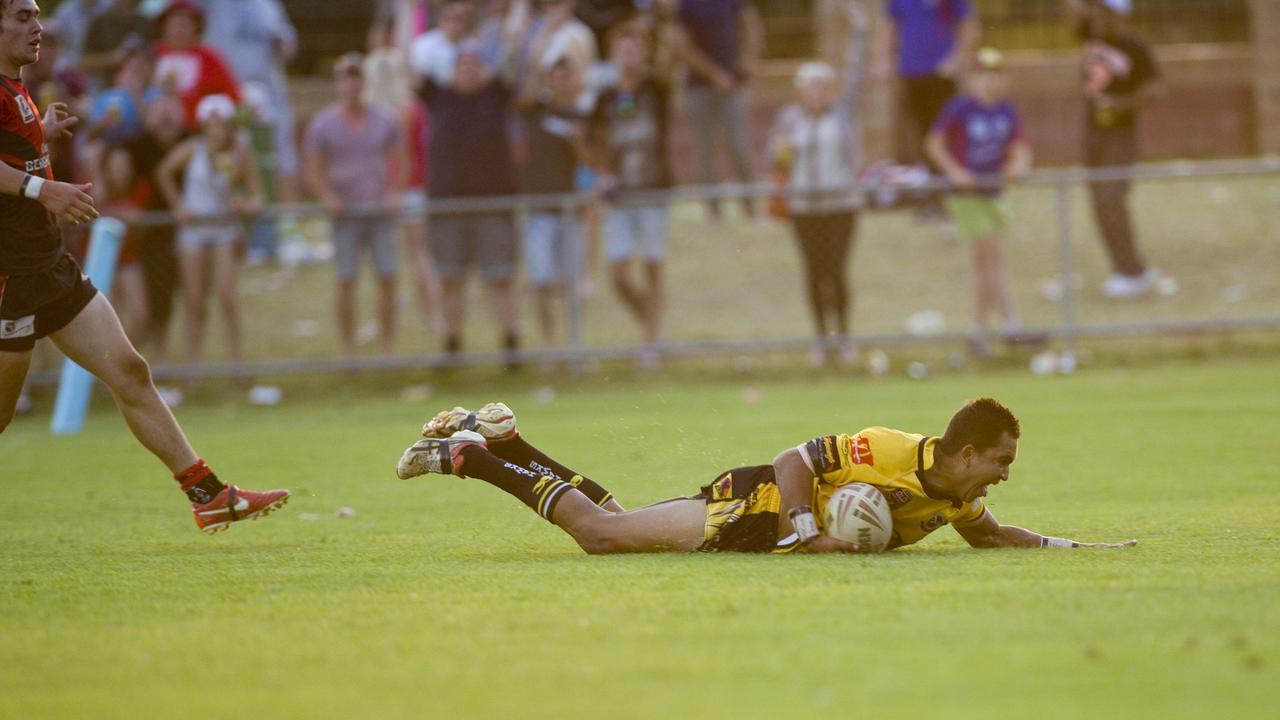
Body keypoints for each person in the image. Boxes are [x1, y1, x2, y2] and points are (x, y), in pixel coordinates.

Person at [0, 0, 287, 533]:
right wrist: (45, 188)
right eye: (21, 16)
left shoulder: (17, 90)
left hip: (49, 264)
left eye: (36, 15)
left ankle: (209, 495)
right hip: (8, 277)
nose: (36, 26)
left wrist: (44, 131)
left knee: (130, 370)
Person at [395, 399, 1138, 554]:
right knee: (600, 536)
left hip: (762, 519)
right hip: (755, 505)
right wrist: (805, 532)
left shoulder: (957, 497)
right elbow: (794, 460)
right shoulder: (888, 448)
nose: (1005, 476)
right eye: (1001, 461)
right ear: (966, 452)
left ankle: (509, 439)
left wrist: (1078, 551)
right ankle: (471, 459)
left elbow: (997, 539)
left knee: (618, 518)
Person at [768, 0, 868, 367]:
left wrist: (859, 31)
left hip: (840, 204)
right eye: (812, 86)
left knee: (837, 270)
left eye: (824, 86)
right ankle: (820, 339)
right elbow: (777, 161)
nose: (819, 92)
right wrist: (782, 154)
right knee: (814, 271)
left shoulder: (841, 116)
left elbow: (857, 74)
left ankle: (843, 335)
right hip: (805, 206)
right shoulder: (790, 121)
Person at [925, 47, 1039, 358]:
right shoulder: (959, 109)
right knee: (987, 257)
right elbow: (935, 144)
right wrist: (956, 172)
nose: (989, 83)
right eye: (982, 76)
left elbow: (1020, 147)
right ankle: (1000, 326)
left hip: (994, 194)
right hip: (967, 197)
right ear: (971, 80)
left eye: (996, 76)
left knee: (990, 264)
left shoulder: (1005, 110)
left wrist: (1018, 164)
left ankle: (989, 329)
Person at [417, 42, 521, 361]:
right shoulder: (438, 97)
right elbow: (410, 63)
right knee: (451, 279)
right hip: (448, 205)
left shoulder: (496, 95)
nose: (468, 71)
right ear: (453, 70)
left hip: (493, 204)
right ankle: (452, 344)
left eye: (475, 65)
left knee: (499, 278)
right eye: (462, 65)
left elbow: (512, 49)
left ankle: (511, 343)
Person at [305, 53, 405, 360]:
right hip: (345, 214)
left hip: (378, 210)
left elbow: (402, 160)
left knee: (387, 277)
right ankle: (348, 349)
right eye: (344, 77)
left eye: (356, 76)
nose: (350, 83)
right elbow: (314, 168)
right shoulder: (323, 124)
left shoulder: (385, 120)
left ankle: (385, 347)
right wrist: (327, 196)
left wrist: (394, 192)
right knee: (346, 280)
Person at [1062, 0, 1163, 299]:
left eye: (1105, 11)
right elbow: (1071, 11)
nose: (1098, 17)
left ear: (1120, 14)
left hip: (1121, 132)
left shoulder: (1135, 48)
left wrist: (1121, 104)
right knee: (1098, 199)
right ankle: (1126, 268)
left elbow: (1156, 89)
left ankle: (1132, 271)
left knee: (1111, 198)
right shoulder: (1091, 35)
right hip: (1093, 130)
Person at [155, 93, 261, 371]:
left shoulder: (240, 153)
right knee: (194, 300)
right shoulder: (193, 149)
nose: (217, 130)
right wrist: (178, 205)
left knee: (227, 296)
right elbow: (163, 172)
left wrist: (245, 205)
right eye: (211, 124)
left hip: (224, 229)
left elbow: (256, 196)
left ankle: (237, 363)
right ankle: (193, 366)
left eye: (221, 124)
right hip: (194, 230)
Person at [589, 26, 672, 368]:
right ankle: (650, 323)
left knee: (653, 265)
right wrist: (600, 174)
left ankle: (651, 340)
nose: (629, 57)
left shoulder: (657, 89)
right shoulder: (606, 97)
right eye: (623, 50)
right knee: (619, 274)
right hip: (620, 194)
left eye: (635, 49)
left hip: (653, 189)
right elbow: (595, 139)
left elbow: (670, 61)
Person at [518, 59, 587, 354]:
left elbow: (590, 163)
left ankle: (574, 346)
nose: (560, 83)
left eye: (565, 77)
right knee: (541, 282)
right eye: (555, 78)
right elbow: (524, 90)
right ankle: (550, 345)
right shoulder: (535, 112)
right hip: (540, 210)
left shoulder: (581, 116)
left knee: (573, 285)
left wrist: (578, 143)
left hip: (570, 210)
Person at [676, 0, 762, 221]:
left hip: (732, 84)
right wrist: (714, 75)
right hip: (699, 88)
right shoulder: (686, 5)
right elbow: (682, 46)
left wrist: (749, 59)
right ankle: (713, 211)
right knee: (705, 150)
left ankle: (751, 207)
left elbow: (751, 24)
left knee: (738, 145)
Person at [872, 0, 979, 168]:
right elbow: (887, 25)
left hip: (942, 75)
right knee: (916, 131)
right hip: (911, 72)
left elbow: (969, 24)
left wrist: (956, 58)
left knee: (946, 130)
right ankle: (928, 181)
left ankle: (947, 178)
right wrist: (883, 60)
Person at [152, 0, 240, 129]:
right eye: (174, 24)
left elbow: (232, 95)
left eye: (185, 25)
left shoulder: (210, 57)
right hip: (156, 129)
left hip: (198, 129)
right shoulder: (152, 54)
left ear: (196, 28)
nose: (179, 30)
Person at [79, 0, 153, 92]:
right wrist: (112, 58)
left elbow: (156, 58)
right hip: (107, 90)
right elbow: (83, 61)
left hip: (143, 91)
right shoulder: (100, 22)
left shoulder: (146, 23)